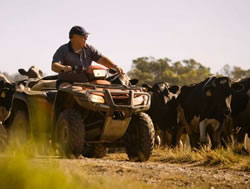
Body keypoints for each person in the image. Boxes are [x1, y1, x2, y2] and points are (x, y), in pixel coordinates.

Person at [51, 25, 124, 86]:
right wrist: (66, 68)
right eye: (84, 36)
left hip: (85, 83)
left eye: (86, 36)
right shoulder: (63, 49)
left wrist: (114, 66)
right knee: (68, 89)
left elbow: (101, 59)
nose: (86, 39)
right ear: (74, 37)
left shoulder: (89, 49)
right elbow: (54, 66)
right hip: (66, 82)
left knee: (104, 86)